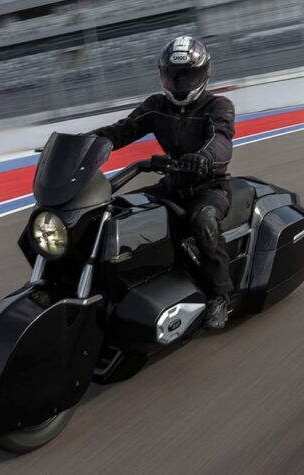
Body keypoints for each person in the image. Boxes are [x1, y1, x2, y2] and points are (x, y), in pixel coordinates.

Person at [89, 36, 236, 329]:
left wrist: (205, 158)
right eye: (172, 75)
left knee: (204, 221)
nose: (178, 82)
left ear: (202, 74)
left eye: (186, 75)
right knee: (121, 211)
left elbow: (221, 139)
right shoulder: (157, 105)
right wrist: (84, 144)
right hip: (172, 184)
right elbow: (122, 131)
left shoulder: (218, 105)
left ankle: (220, 297)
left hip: (209, 187)